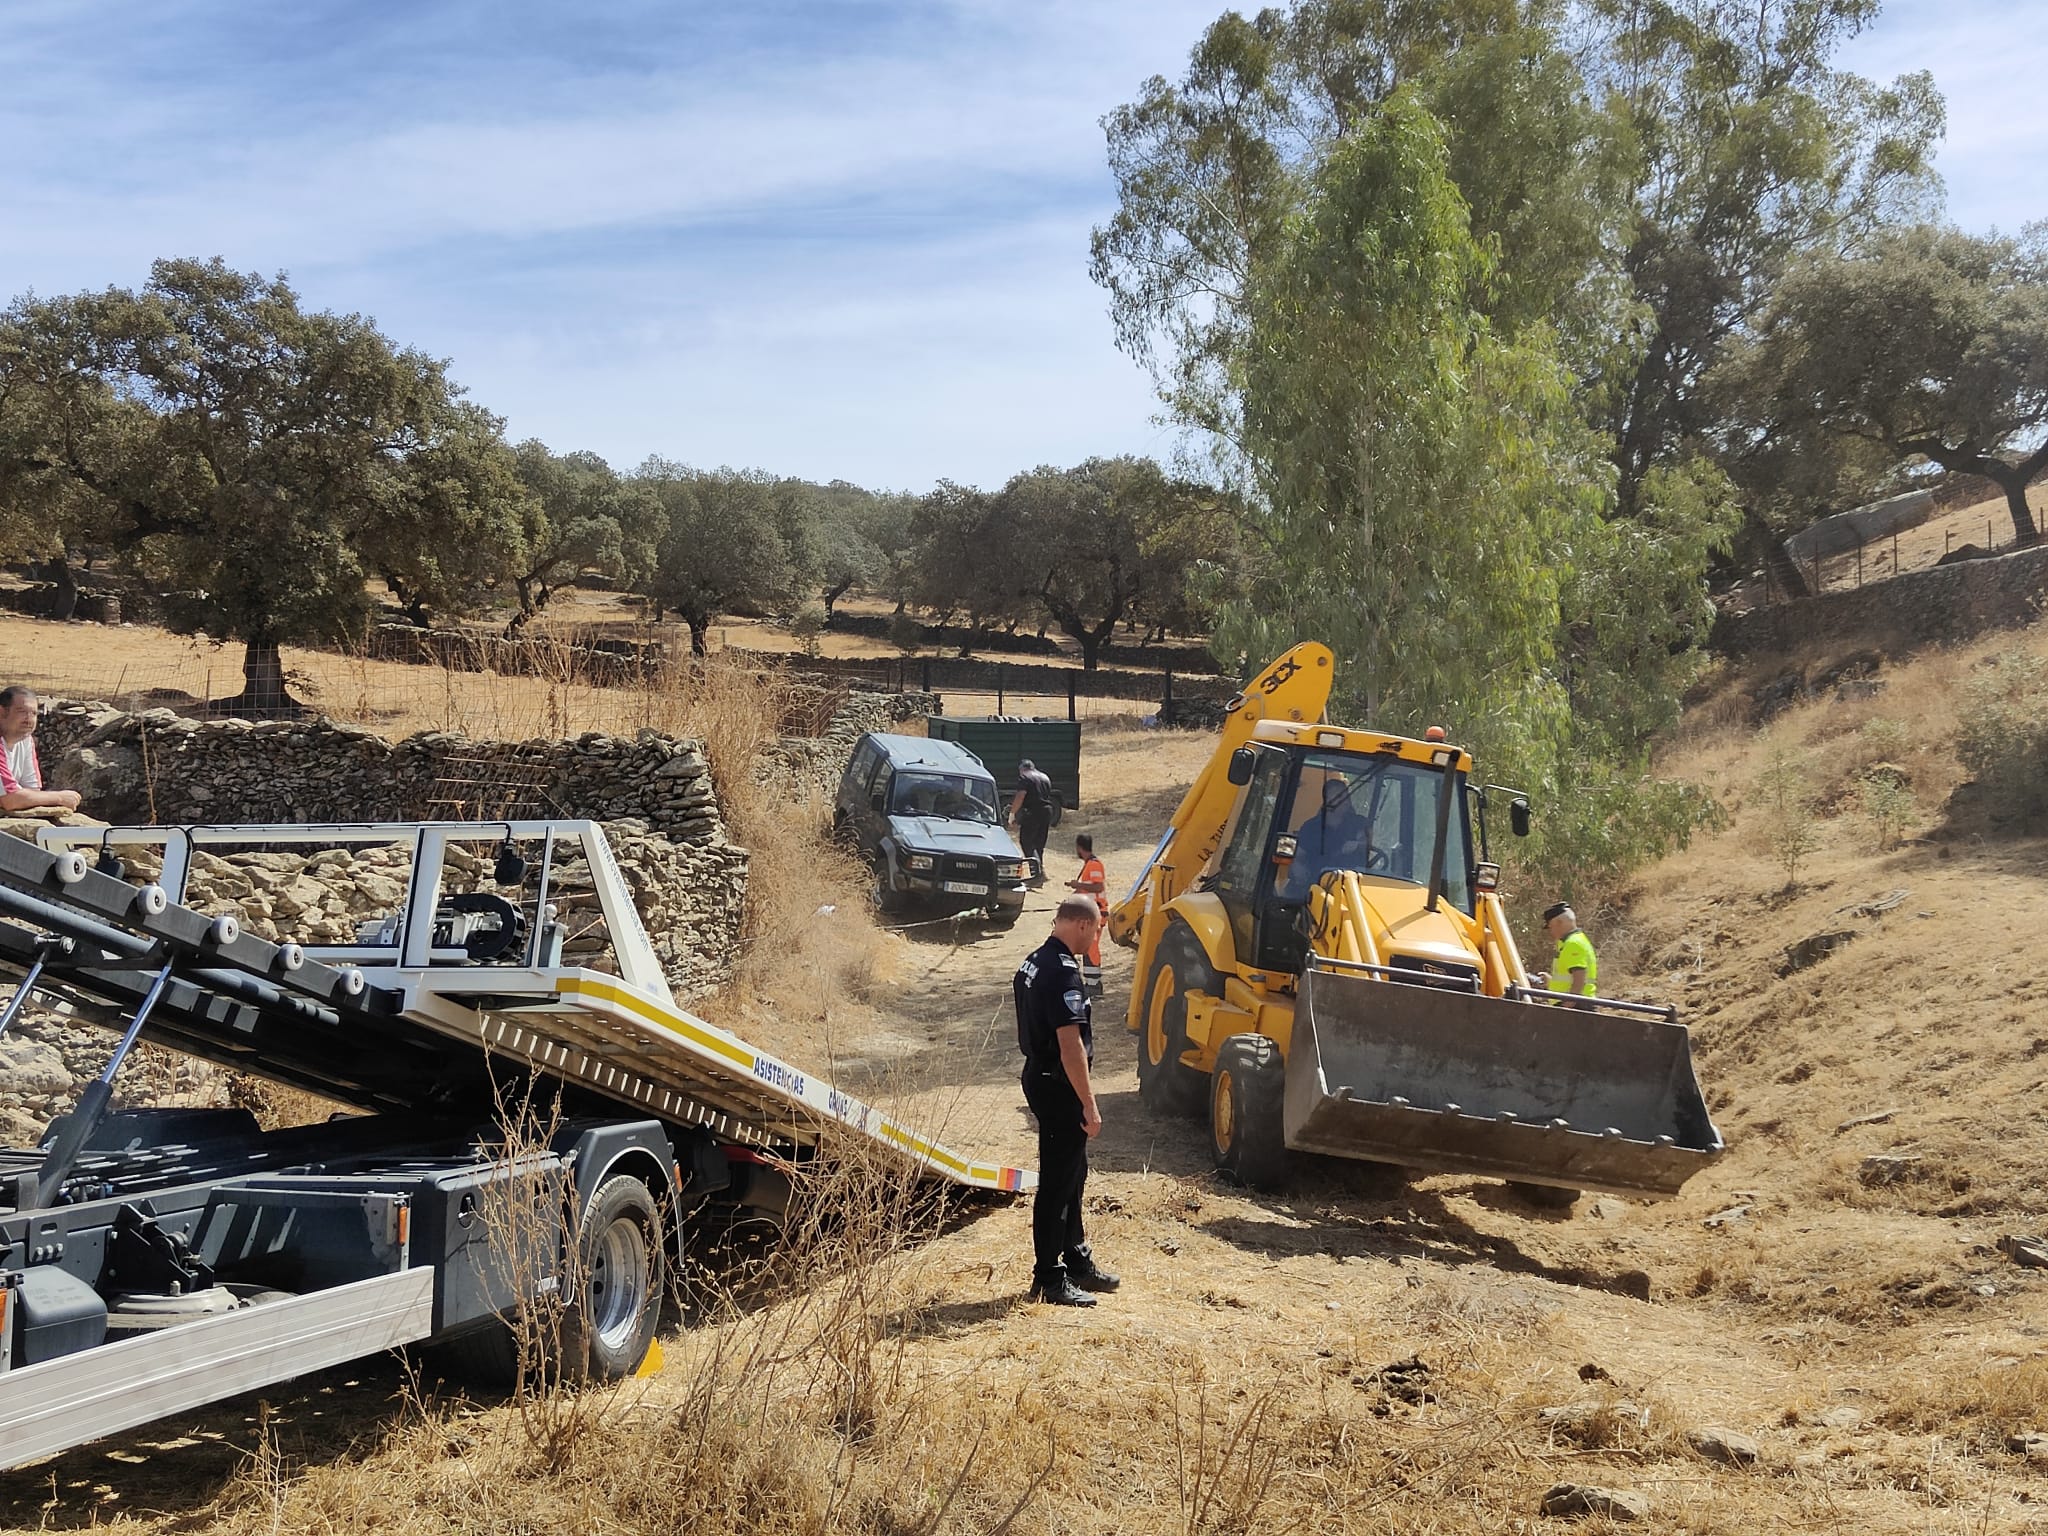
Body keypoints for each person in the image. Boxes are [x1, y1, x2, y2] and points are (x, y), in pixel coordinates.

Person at [1013, 895, 1119, 1307]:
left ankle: (1076, 1259)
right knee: (1058, 1182)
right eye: (1094, 932)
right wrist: (1089, 1105)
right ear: (1080, 926)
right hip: (1058, 1084)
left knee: (1074, 1174)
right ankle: (1049, 1277)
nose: (1095, 939)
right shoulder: (1060, 972)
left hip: (1041, 1077)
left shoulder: (1034, 961)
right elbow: (1070, 1044)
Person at [0, 686, 79, 814]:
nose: (29, 719)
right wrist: (59, 798)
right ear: (2, 712)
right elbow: (11, 799)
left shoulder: (25, 740)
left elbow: (33, 790)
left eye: (34, 713)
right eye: (22, 711)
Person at [1064, 832, 1110, 995]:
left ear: (1079, 847)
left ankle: (1094, 985)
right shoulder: (1090, 865)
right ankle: (1091, 983)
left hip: (1097, 912)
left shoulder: (1094, 865)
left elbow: (1098, 887)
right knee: (1088, 946)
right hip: (1093, 912)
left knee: (1091, 947)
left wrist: (1079, 884)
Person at [1534, 902, 1598, 1005]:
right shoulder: (1574, 941)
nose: (1551, 931)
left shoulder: (1573, 943)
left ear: (1559, 922)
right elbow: (1569, 978)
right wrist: (1551, 981)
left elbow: (1579, 978)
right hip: (1576, 1004)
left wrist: (1568, 1005)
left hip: (1576, 1007)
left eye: (1550, 927)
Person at [1007, 758, 1055, 881]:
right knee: (1039, 843)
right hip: (1047, 811)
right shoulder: (1045, 777)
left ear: (1022, 769)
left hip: (1033, 811)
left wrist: (1012, 814)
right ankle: (1041, 872)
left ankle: (1036, 875)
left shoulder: (1025, 777)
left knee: (1026, 842)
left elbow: (1020, 796)